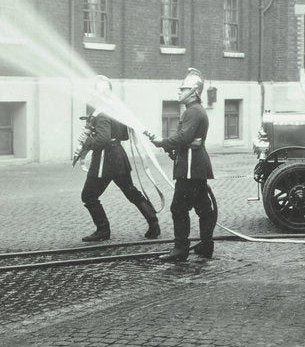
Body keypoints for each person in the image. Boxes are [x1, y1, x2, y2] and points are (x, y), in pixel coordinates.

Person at [143, 68, 216, 262]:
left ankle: (181, 249)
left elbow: (184, 136)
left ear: (193, 91)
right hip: (194, 165)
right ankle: (206, 245)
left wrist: (163, 142)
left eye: (183, 89)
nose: (179, 91)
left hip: (191, 168)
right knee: (203, 209)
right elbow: (186, 140)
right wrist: (171, 146)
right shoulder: (194, 111)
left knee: (178, 208)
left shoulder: (193, 111)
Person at [77, 75, 161, 242]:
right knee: (130, 191)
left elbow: (102, 139)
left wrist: (86, 141)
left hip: (104, 160)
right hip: (118, 158)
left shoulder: (101, 114)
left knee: (88, 196)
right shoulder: (116, 110)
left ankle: (103, 230)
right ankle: (153, 223)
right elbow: (123, 135)